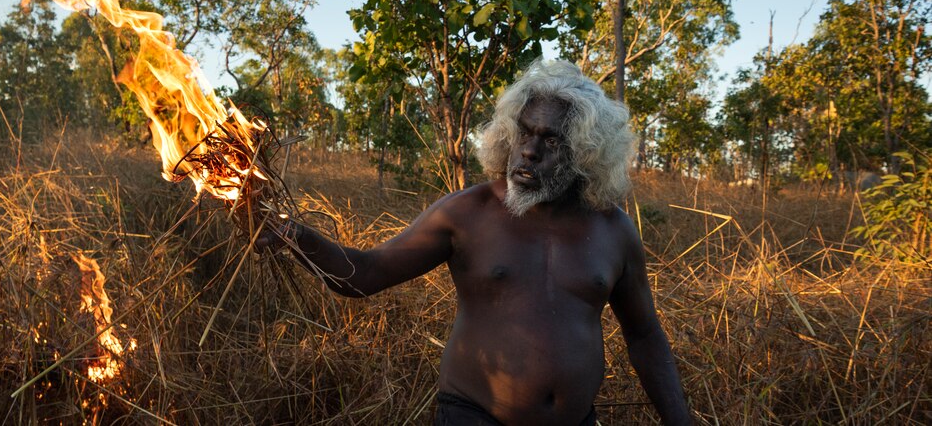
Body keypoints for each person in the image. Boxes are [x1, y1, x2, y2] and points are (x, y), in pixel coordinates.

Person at [258, 60, 690, 425]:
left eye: (551, 140)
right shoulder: (467, 212)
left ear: (586, 152)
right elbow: (364, 275)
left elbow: (644, 334)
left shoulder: (613, 230)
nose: (529, 152)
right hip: (473, 414)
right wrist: (296, 235)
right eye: (525, 133)